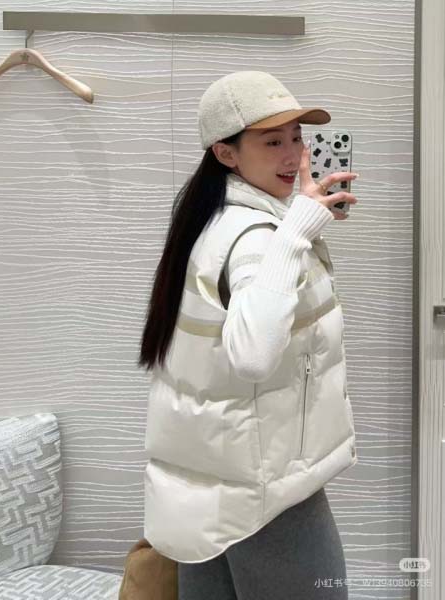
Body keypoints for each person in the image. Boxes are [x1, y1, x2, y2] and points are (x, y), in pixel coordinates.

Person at [137, 71, 359, 599]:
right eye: (272, 141)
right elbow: (255, 357)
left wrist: (296, 224)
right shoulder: (258, 237)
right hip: (266, 493)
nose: (293, 155)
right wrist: (295, 231)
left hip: (212, 487)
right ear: (226, 153)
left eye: (297, 137)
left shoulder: (213, 219)